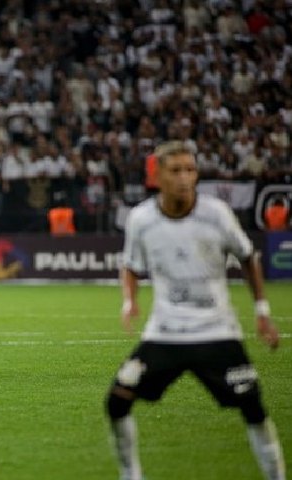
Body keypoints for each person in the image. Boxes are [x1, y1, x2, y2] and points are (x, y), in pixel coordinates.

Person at [106, 141, 285, 480]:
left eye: (190, 170)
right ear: (157, 176)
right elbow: (130, 264)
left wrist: (261, 311)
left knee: (254, 409)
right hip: (165, 334)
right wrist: (129, 301)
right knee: (117, 400)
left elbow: (248, 257)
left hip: (217, 333)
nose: (185, 178)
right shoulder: (141, 219)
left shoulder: (216, 214)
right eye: (175, 171)